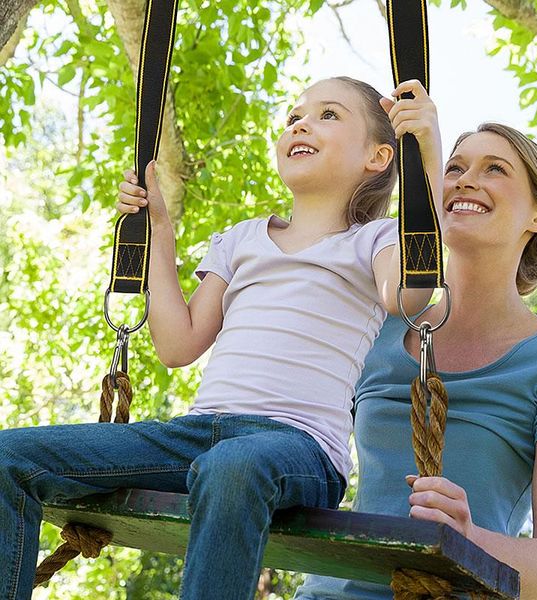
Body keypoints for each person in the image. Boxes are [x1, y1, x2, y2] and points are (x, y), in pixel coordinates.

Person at [0, 76, 437, 600]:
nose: (300, 122)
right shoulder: (241, 238)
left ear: (379, 156)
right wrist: (159, 229)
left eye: (328, 115)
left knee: (232, 466)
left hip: (298, 447)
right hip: (197, 436)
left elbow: (407, 296)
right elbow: (178, 345)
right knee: (9, 458)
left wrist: (426, 163)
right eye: (295, 115)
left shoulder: (377, 240)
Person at [295, 108, 537, 598]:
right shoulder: (378, 324)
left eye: (494, 169)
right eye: (454, 169)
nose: (464, 181)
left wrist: (467, 539)